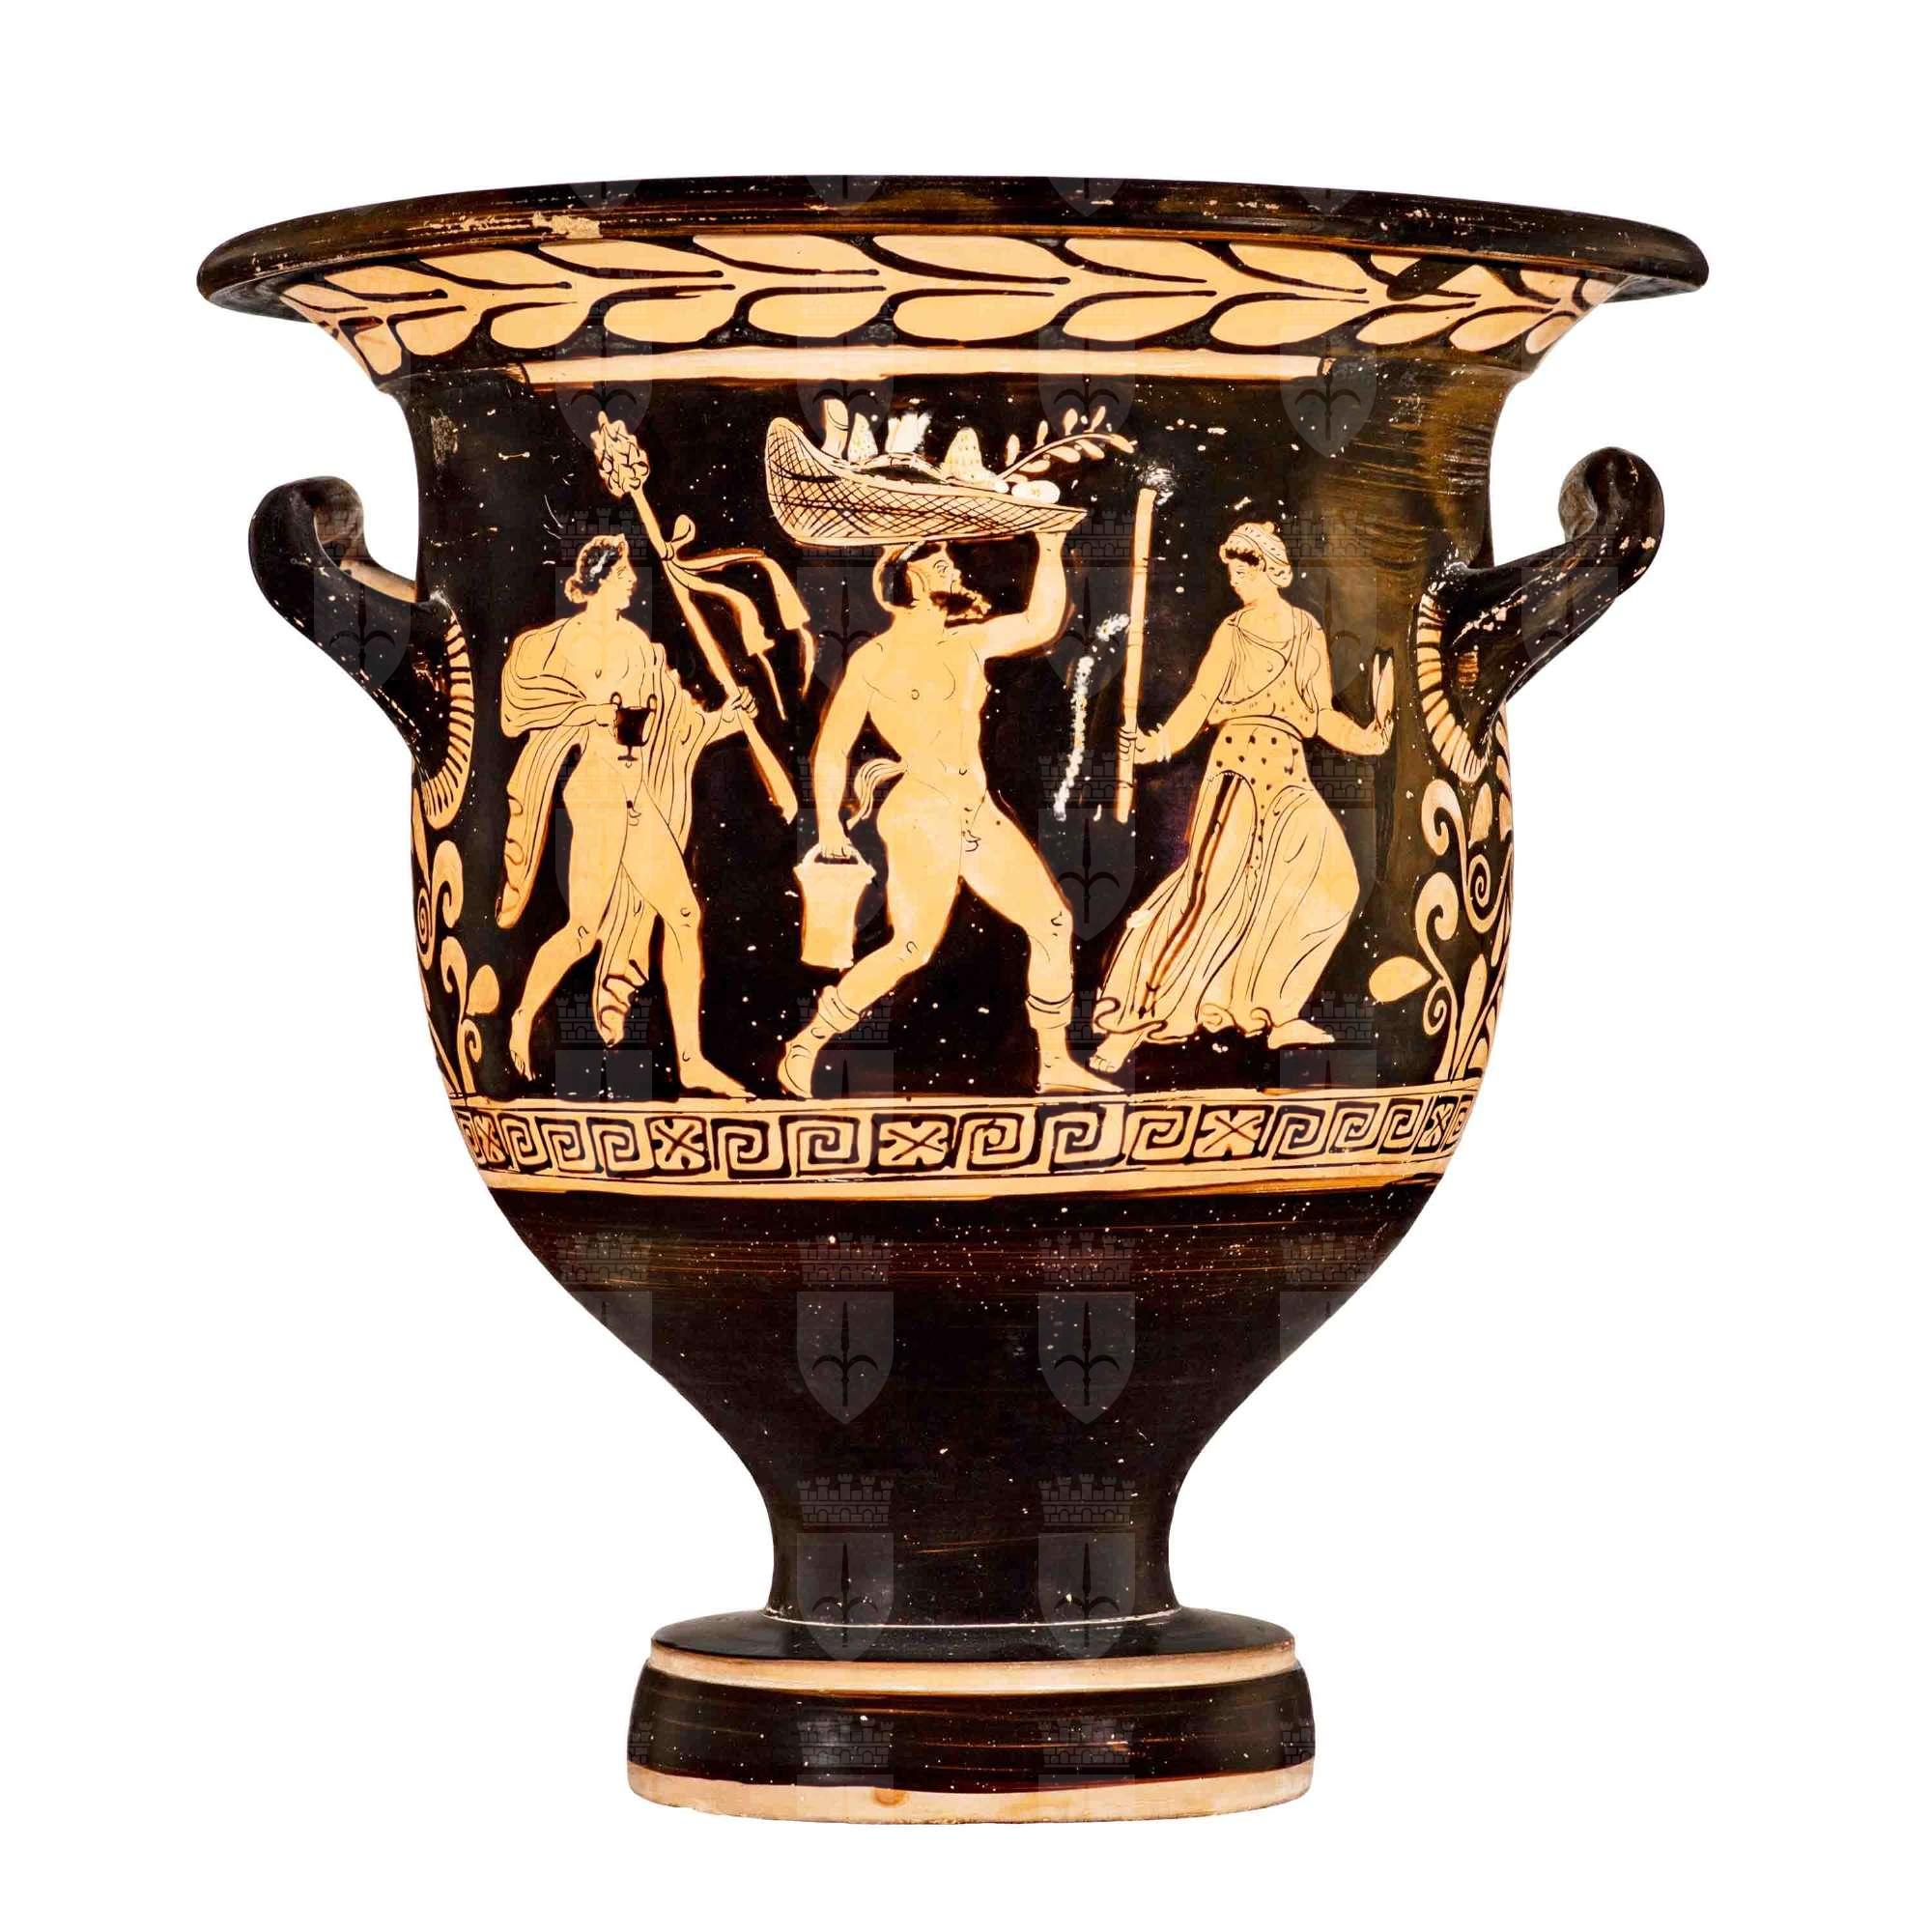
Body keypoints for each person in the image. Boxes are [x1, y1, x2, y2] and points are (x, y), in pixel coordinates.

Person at [781, 531, 1115, 1098]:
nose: (954, 573)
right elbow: (832, 749)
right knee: (911, 947)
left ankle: (1055, 1063)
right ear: (910, 579)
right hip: (922, 815)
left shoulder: (967, 643)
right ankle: (807, 1044)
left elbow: (1040, 622)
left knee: (1053, 923)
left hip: (976, 812)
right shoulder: (875, 660)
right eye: (939, 566)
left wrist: (1050, 545)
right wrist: (831, 828)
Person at [1091, 521, 1392, 1074]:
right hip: (1239, 771)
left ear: (1271, 569)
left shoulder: (1305, 629)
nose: (1234, 581)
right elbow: (1201, 700)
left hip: (1290, 774)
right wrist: (1158, 745)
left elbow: (1321, 714)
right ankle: (1132, 1021)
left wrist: (1367, 740)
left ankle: (1274, 1009)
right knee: (1208, 896)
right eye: (1231, 572)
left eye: (1243, 571)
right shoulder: (1233, 632)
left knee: (1334, 882)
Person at [497, 534, 754, 1096]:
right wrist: (586, 711)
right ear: (598, 581)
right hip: (595, 791)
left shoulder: (637, 643)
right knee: (583, 930)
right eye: (623, 575)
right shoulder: (555, 644)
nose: (633, 583)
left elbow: (672, 724)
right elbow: (515, 710)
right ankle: (521, 1017)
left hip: (637, 792)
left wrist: (724, 720)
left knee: (682, 914)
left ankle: (691, 1059)